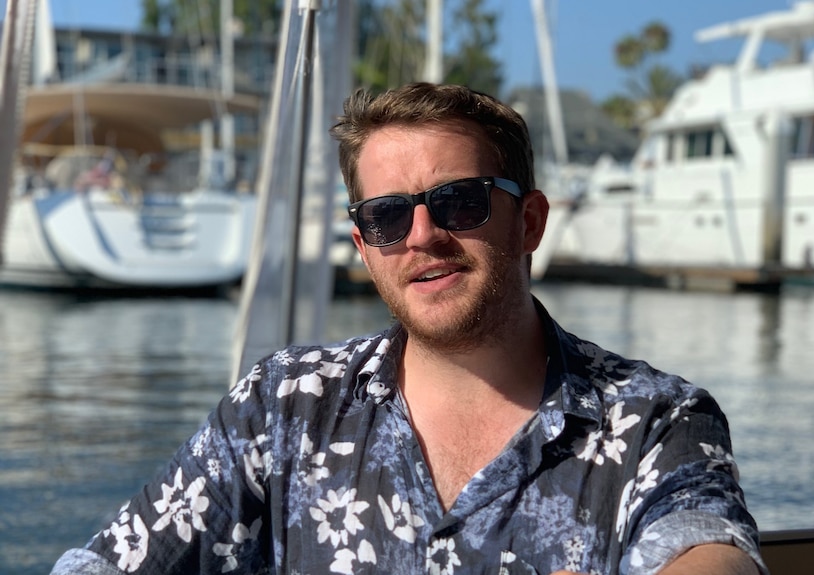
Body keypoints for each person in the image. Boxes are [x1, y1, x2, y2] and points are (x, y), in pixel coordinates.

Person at [51, 82, 767, 575]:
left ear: (531, 221)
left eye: (460, 202)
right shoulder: (283, 407)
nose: (422, 236)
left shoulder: (654, 420)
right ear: (364, 249)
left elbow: (701, 542)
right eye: (388, 216)